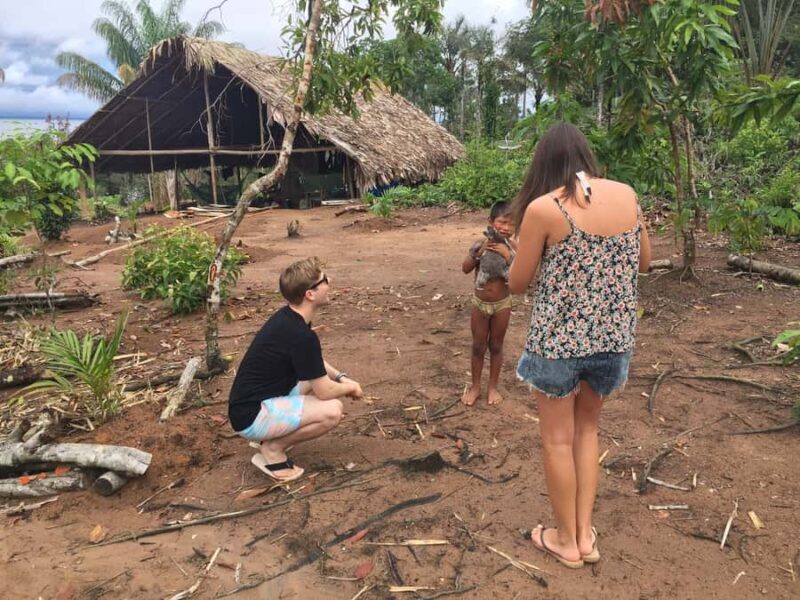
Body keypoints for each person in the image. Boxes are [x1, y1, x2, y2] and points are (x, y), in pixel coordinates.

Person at [508, 123, 651, 568]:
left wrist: (520, 248)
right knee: (587, 432)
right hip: (613, 340)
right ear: (585, 156)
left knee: (556, 440)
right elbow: (644, 261)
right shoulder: (627, 195)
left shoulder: (543, 208)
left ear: (543, 164)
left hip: (557, 344)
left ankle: (565, 540)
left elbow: (516, 283)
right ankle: (585, 536)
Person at [228, 257, 363, 482]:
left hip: (250, 404)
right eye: (325, 280)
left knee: (316, 380)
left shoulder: (289, 318)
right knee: (332, 410)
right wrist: (351, 387)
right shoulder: (300, 335)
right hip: (251, 416)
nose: (330, 283)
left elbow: (314, 362)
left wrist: (340, 377)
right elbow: (325, 392)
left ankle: (268, 437)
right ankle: (272, 449)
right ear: (310, 294)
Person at [461, 200, 518, 406]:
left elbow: (522, 275)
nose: (505, 228)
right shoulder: (481, 244)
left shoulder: (514, 247)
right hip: (480, 303)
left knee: (496, 346)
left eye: (511, 224)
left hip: (502, 304)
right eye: (501, 222)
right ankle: (475, 386)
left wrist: (508, 256)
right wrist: (477, 252)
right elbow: (465, 268)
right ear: (490, 222)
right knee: (477, 346)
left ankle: (492, 387)